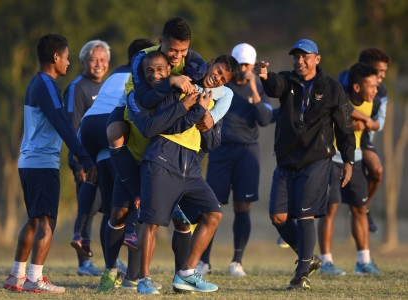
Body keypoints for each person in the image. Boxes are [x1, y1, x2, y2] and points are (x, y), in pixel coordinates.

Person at [127, 50, 238, 294]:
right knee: (151, 221)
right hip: (162, 157)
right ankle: (144, 280)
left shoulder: (214, 99)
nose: (217, 78)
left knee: (214, 213)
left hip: (191, 166)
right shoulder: (182, 85)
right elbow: (166, 125)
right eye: (217, 71)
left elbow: (211, 142)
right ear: (210, 65)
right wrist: (197, 111)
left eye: (223, 78)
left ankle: (186, 273)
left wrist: (207, 118)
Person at [258, 39, 355, 290]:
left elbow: (345, 128)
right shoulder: (288, 80)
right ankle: (308, 256)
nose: (299, 61)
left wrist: (348, 160)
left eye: (305, 56)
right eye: (296, 57)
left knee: (304, 214)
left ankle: (301, 275)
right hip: (286, 160)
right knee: (278, 216)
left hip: (316, 160)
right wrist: (265, 75)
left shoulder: (332, 88)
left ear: (317, 59)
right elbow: (273, 87)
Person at [3, 34, 97, 294]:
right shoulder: (46, 84)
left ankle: (16, 275)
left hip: (28, 161)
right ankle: (36, 278)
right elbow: (62, 124)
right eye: (66, 57)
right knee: (47, 221)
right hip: (42, 163)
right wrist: (84, 157)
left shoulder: (36, 82)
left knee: (34, 219)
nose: (68, 62)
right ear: (55, 57)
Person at [80, 38, 156, 292]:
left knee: (112, 214)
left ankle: (104, 264)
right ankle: (131, 278)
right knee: (138, 211)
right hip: (124, 147)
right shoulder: (143, 79)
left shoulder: (114, 75)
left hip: (98, 143)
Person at [198, 43, 273, 277]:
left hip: (247, 152)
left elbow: (263, 118)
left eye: (247, 65)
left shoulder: (256, 87)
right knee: (211, 208)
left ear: (253, 65)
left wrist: (253, 85)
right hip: (220, 152)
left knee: (243, 206)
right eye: (239, 65)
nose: (243, 69)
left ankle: (236, 261)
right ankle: (204, 262)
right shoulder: (223, 86)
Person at [318, 63, 382, 275]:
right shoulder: (341, 98)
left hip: (355, 161)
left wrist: (366, 123)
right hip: (332, 160)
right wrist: (361, 121)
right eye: (371, 86)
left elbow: (374, 125)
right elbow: (342, 114)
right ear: (356, 87)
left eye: (376, 86)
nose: (375, 90)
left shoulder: (373, 102)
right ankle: (326, 262)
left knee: (360, 209)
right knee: (331, 208)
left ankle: (363, 262)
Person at [63, 40, 111, 276]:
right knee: (88, 210)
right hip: (86, 162)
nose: (99, 64)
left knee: (109, 210)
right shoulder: (77, 88)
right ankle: (84, 264)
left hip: (106, 161)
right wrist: (77, 163)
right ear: (83, 62)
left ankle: (110, 262)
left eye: (103, 60)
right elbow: (71, 129)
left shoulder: (108, 87)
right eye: (94, 59)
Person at [338, 48, 391, 233]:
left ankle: (364, 206)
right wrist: (363, 119)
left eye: (385, 72)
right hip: (338, 136)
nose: (382, 76)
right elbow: (340, 106)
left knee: (377, 170)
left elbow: (380, 123)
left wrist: (367, 124)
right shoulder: (345, 79)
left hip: (364, 137)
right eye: (379, 71)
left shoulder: (381, 91)